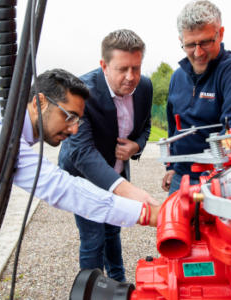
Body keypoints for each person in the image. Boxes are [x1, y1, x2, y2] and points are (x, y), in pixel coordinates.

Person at [0, 68, 158, 300]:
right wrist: (145, 213)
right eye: (69, 116)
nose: (75, 129)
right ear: (39, 102)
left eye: (78, 119)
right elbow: (58, 187)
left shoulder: (12, 120)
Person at [58, 29, 155, 282]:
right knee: (93, 238)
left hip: (117, 170)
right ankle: (92, 291)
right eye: (123, 69)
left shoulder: (145, 86)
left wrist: (136, 145)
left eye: (136, 68)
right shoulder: (80, 92)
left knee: (113, 231)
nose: (131, 77)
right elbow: (81, 151)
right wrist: (124, 189)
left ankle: (118, 283)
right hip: (84, 174)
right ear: (104, 65)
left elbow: (146, 126)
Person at [162, 0, 231, 194]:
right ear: (180, 40)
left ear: (220, 33)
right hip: (181, 177)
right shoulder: (177, 77)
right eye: (190, 44)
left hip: (221, 178)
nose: (198, 53)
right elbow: (174, 126)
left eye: (206, 42)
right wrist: (171, 166)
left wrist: (214, 172)